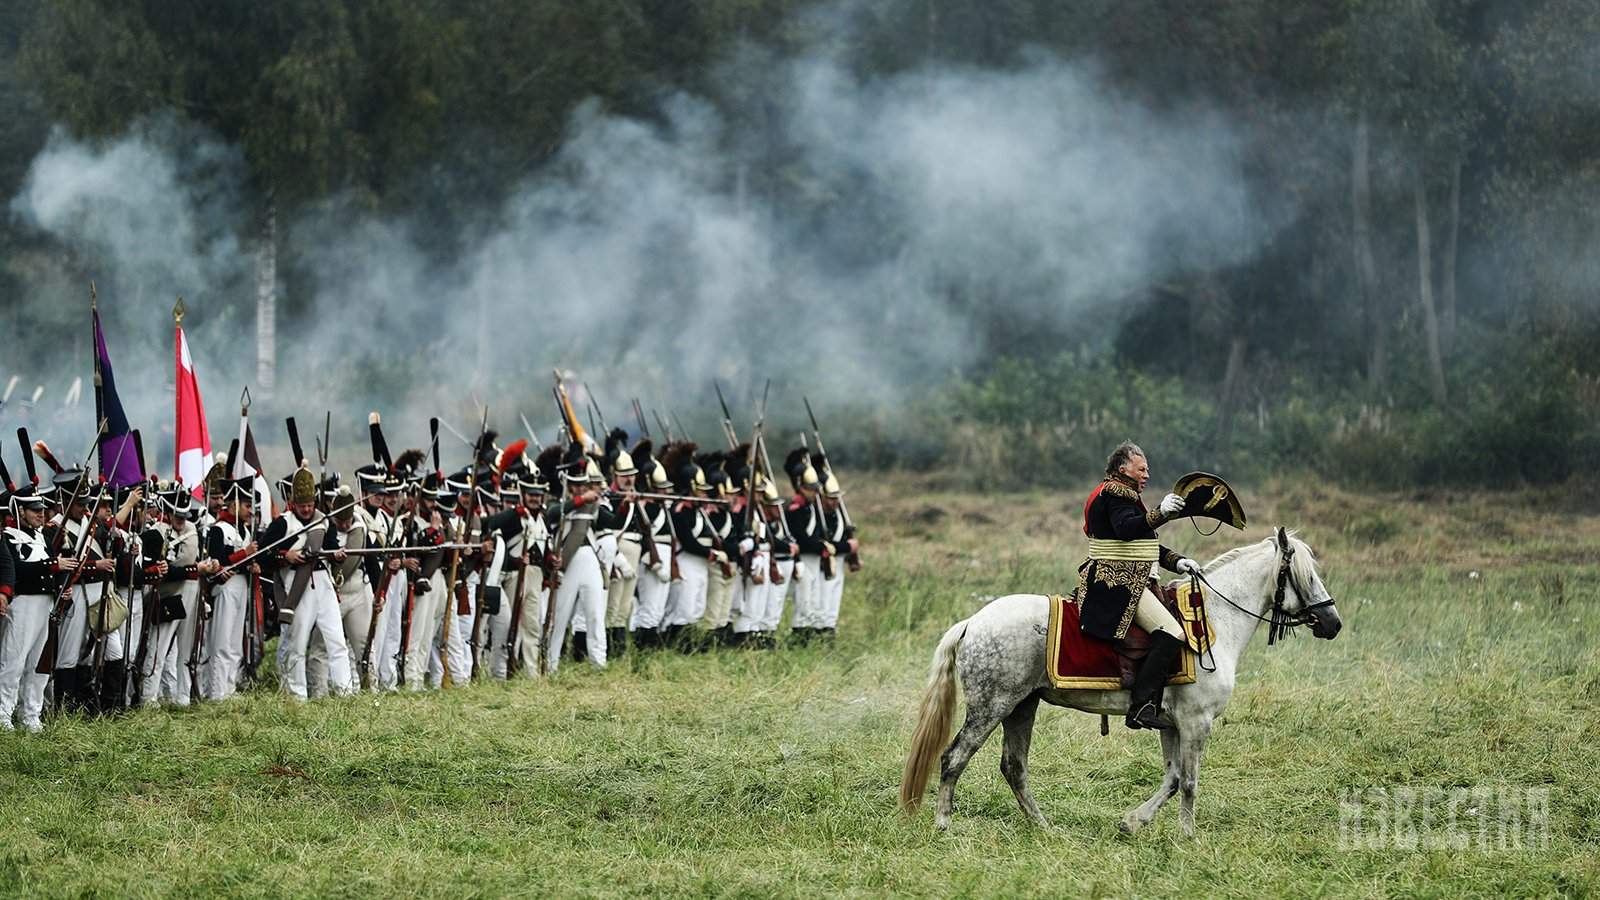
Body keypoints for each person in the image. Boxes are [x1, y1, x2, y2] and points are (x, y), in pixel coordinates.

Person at [1076, 441, 1198, 730]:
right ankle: (1141, 705)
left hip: (1127, 576)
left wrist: (1177, 561)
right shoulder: (1116, 493)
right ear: (1123, 469)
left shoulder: (1123, 494)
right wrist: (1161, 513)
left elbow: (1142, 541)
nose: (1147, 474)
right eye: (1141, 469)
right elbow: (1127, 529)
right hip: (1118, 583)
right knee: (1173, 632)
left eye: (1148, 469)